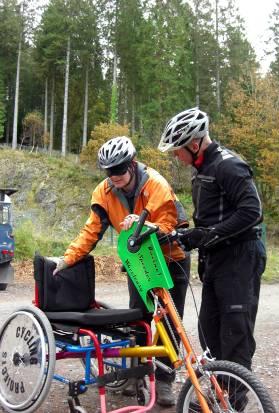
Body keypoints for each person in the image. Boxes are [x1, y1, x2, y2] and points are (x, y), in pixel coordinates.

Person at [54, 136, 190, 406]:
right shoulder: (103, 192)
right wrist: (67, 260)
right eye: (108, 171)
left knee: (171, 322)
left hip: (170, 260)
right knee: (139, 318)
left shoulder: (156, 185)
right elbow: (90, 232)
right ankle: (136, 376)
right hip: (139, 262)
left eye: (118, 170)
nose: (113, 176)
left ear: (132, 164)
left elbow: (172, 226)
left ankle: (164, 382)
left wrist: (144, 225)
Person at [158, 107, 266, 373]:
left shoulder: (229, 165)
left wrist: (207, 234)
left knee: (235, 330)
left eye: (178, 149)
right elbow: (214, 214)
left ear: (195, 144)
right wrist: (190, 235)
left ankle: (234, 400)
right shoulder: (202, 167)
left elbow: (252, 211)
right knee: (209, 329)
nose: (176, 155)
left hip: (241, 256)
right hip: (217, 258)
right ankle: (221, 393)